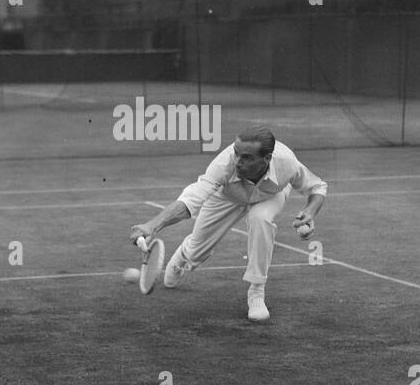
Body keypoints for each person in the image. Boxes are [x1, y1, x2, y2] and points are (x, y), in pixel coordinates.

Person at [129, 124, 328, 321]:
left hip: (270, 195)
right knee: (197, 250)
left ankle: (256, 292)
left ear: (267, 159)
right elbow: (190, 201)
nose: (238, 162)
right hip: (227, 196)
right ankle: (184, 255)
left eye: (247, 157)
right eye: (236, 153)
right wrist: (152, 226)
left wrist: (310, 212)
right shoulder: (223, 166)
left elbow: (317, 187)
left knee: (261, 219)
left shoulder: (287, 163)